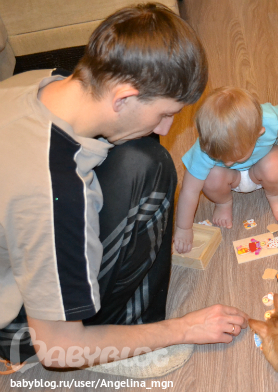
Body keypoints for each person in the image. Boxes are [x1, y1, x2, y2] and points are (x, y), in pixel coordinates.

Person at [0, 3, 248, 371]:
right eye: (165, 113)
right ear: (124, 97)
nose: (166, 127)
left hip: (20, 251)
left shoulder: (40, 81)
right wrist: (183, 328)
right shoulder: (54, 195)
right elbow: (56, 350)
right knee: (151, 164)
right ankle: (128, 334)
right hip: (22, 330)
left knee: (144, 156)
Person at [173, 87, 278, 251]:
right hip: (229, 179)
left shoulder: (270, 119)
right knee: (211, 177)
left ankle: (275, 194)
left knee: (275, 165)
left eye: (235, 157)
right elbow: (189, 191)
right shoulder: (205, 148)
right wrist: (183, 228)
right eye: (220, 158)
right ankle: (223, 202)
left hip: (261, 168)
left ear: (259, 133)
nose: (228, 163)